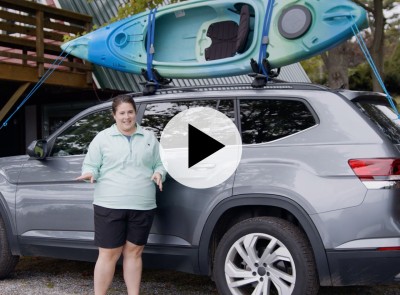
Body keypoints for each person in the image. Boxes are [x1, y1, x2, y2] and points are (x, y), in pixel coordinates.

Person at [76, 94, 165, 295]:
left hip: (143, 205)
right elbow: (91, 164)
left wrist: (160, 173)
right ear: (114, 115)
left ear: (135, 113)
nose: (127, 117)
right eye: (122, 113)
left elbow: (159, 163)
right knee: (109, 253)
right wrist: (90, 173)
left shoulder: (149, 137)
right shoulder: (102, 138)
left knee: (134, 252)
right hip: (109, 204)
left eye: (130, 112)